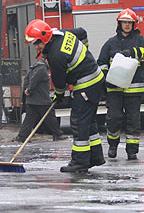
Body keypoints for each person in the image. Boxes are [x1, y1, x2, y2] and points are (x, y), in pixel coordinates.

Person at [24, 19, 105, 173]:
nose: (36, 47)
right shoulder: (63, 33)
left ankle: (80, 162)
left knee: (79, 121)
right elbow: (82, 32)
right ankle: (95, 156)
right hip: (94, 79)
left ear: (45, 38)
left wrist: (59, 95)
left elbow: (59, 81)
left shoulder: (56, 55)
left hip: (87, 85)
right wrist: (85, 53)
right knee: (88, 121)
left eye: (37, 43)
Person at [97, 8, 144, 160]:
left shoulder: (140, 40)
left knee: (133, 121)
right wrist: (106, 76)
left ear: (134, 24)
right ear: (119, 24)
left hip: (134, 91)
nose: (127, 25)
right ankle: (113, 146)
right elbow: (101, 62)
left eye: (129, 23)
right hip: (114, 90)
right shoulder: (110, 43)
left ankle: (132, 151)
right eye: (124, 23)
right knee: (113, 119)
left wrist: (133, 52)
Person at [13, 57, 68, 143]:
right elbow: (34, 80)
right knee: (50, 116)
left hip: (32, 99)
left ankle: (22, 136)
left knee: (30, 118)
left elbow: (26, 80)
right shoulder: (42, 69)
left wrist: (26, 92)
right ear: (46, 60)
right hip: (41, 99)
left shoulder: (34, 67)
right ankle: (58, 134)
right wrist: (29, 90)